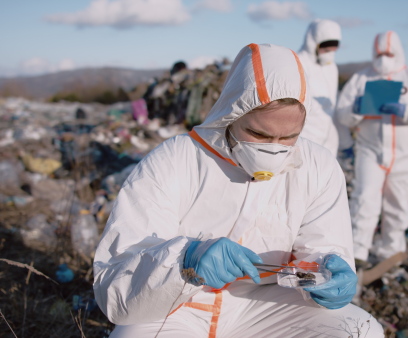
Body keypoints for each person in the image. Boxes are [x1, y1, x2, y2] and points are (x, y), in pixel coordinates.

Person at [93, 43, 383, 337]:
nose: (273, 148)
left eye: (288, 137)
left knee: (360, 331)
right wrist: (185, 260)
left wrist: (330, 272)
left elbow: (322, 249)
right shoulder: (176, 159)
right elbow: (115, 287)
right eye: (258, 134)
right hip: (181, 303)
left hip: (266, 306)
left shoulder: (317, 165)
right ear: (232, 113)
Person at [335, 31, 408, 268]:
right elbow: (342, 114)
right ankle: (358, 250)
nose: (384, 58)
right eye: (380, 53)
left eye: (389, 53)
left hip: (406, 154)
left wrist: (407, 111)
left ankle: (391, 250)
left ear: (399, 52)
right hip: (370, 150)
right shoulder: (361, 78)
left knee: (398, 203)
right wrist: (356, 109)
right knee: (364, 199)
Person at [296, 19, 352, 157]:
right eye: (326, 50)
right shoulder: (298, 63)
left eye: (333, 51)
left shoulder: (331, 68)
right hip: (304, 142)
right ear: (313, 44)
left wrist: (346, 142)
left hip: (328, 144)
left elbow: (333, 107)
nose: (329, 54)